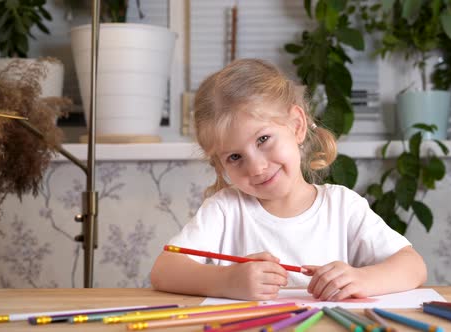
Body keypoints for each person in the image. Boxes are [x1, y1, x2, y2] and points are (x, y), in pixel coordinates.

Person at [150, 59, 427, 301]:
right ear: (220, 164)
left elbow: (413, 266)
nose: (256, 167)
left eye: (263, 139)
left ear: (296, 125)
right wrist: (227, 281)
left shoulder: (343, 207)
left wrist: (363, 279)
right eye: (235, 157)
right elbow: (163, 270)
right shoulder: (224, 210)